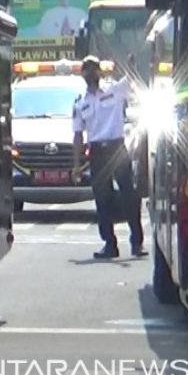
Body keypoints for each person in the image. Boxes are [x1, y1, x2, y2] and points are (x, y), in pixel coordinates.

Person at [73, 55, 145, 260]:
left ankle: (136, 243)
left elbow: (131, 79)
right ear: (82, 74)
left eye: (93, 69)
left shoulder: (114, 89)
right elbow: (78, 134)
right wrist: (76, 165)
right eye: (86, 70)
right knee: (102, 199)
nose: (90, 73)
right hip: (97, 152)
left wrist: (130, 65)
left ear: (100, 71)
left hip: (117, 148)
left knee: (129, 196)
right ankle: (109, 244)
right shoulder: (80, 103)